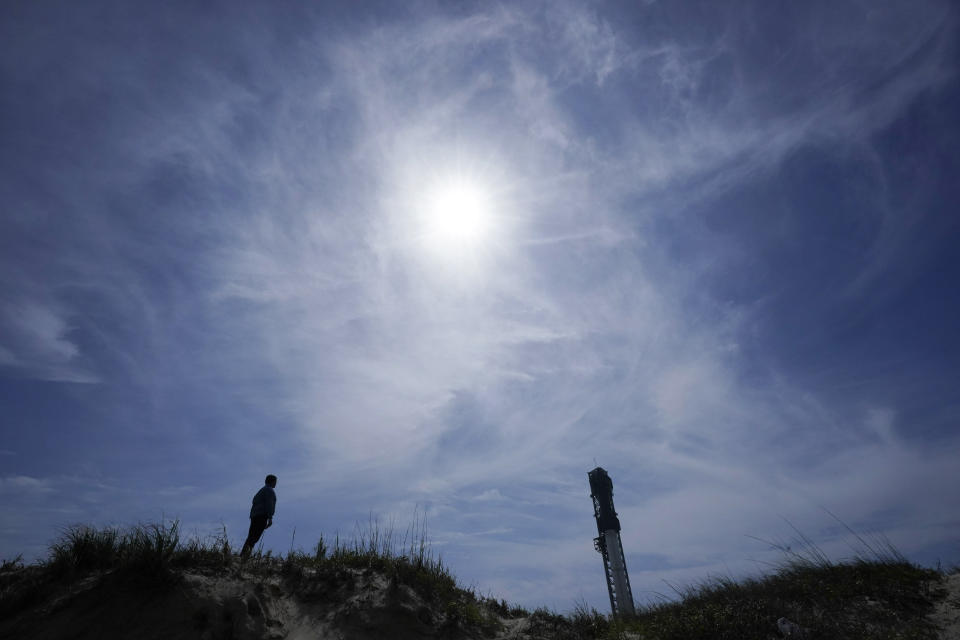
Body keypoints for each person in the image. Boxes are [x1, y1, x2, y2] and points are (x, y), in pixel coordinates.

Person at [240, 474, 277, 559]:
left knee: (252, 535)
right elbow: (269, 504)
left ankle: (244, 554)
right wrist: (270, 517)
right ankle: (244, 556)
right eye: (275, 481)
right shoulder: (269, 491)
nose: (276, 483)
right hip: (261, 516)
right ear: (272, 481)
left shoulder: (262, 490)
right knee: (254, 536)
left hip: (255, 516)